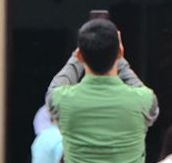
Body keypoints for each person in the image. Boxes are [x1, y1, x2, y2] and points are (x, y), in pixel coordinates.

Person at [47, 19, 158, 163]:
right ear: (120, 52)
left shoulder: (61, 100)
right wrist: (119, 58)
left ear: (80, 56)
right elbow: (151, 105)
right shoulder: (144, 100)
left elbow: (53, 89)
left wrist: (76, 59)